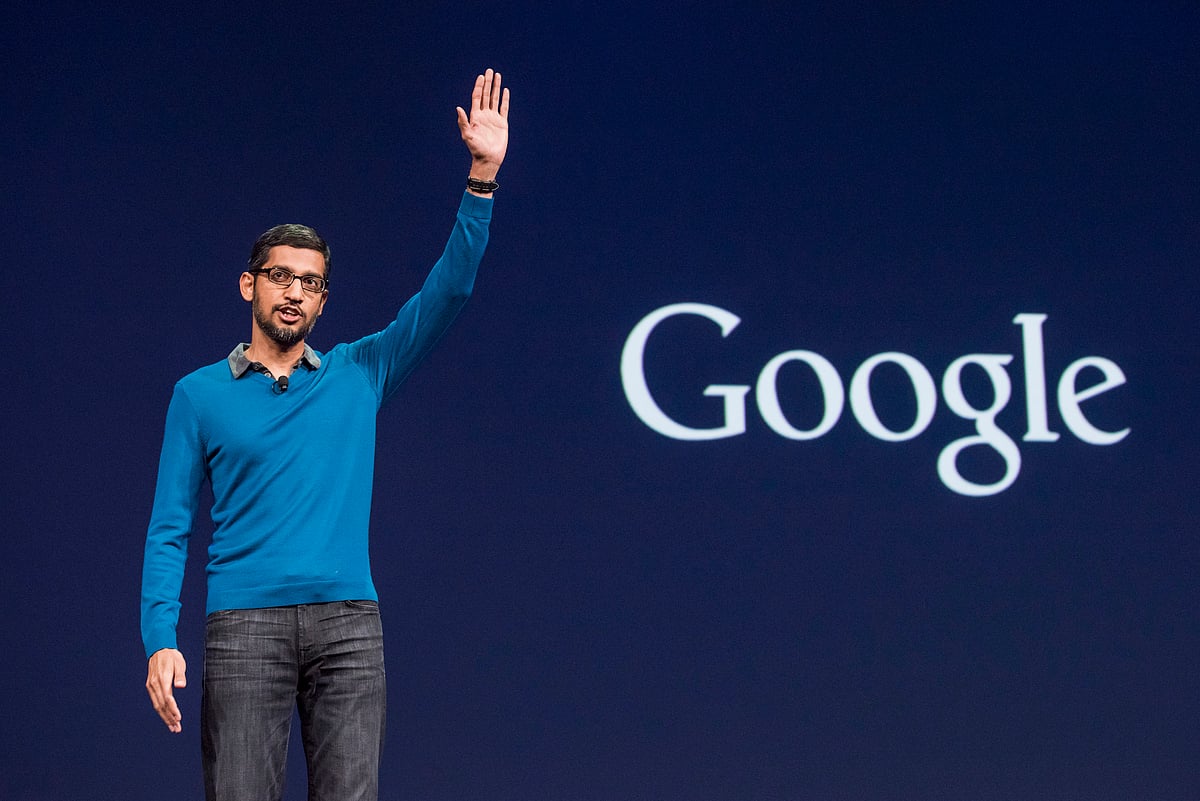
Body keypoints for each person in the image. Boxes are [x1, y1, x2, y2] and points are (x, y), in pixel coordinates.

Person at [140, 69, 510, 801]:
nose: (294, 292)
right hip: (243, 629)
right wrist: (159, 637)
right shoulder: (199, 394)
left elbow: (450, 290)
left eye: (309, 282)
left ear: (323, 298)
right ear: (249, 285)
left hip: (349, 627)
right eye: (279, 276)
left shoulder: (358, 371)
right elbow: (168, 529)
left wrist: (481, 179)